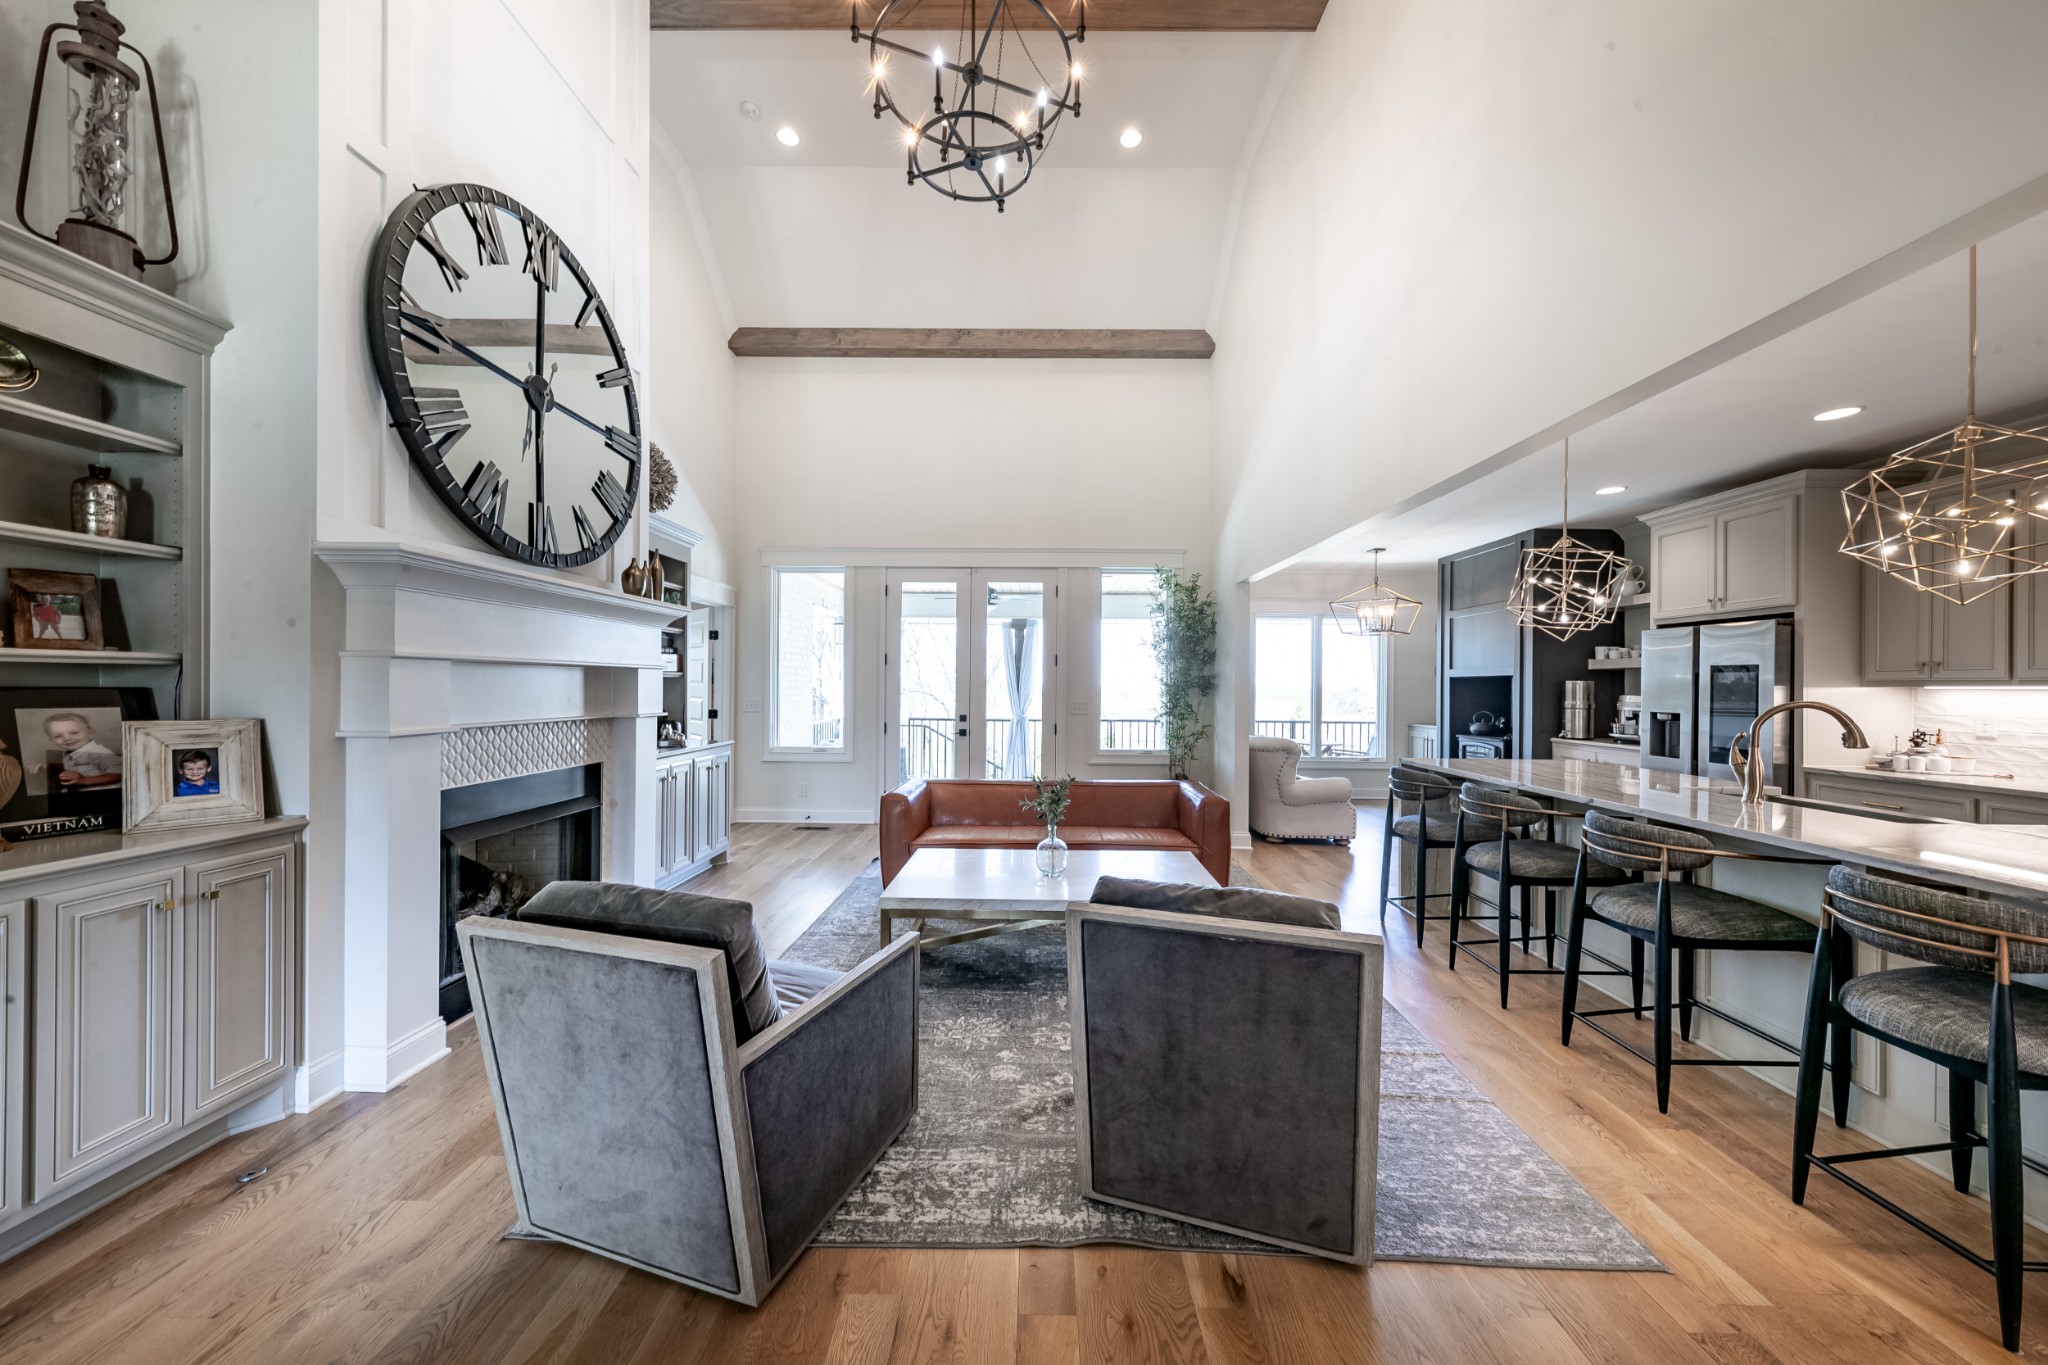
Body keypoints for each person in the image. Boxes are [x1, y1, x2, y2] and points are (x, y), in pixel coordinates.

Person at [33, 713, 121, 789]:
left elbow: (119, 774)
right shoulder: (69, 753)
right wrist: (52, 765)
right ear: (52, 741)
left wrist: (85, 780)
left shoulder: (99, 752)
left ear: (90, 733)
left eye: (74, 733)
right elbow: (70, 765)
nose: (67, 738)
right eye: (58, 736)